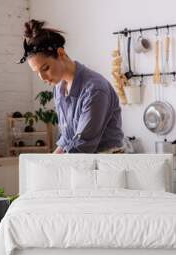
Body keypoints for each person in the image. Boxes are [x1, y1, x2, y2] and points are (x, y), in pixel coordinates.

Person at [19, 19, 124, 154]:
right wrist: (48, 162)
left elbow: (82, 146)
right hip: (79, 162)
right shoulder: (59, 88)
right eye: (37, 73)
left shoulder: (94, 89)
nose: (42, 78)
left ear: (61, 54)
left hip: (105, 163)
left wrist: (52, 167)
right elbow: (67, 140)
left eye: (45, 68)